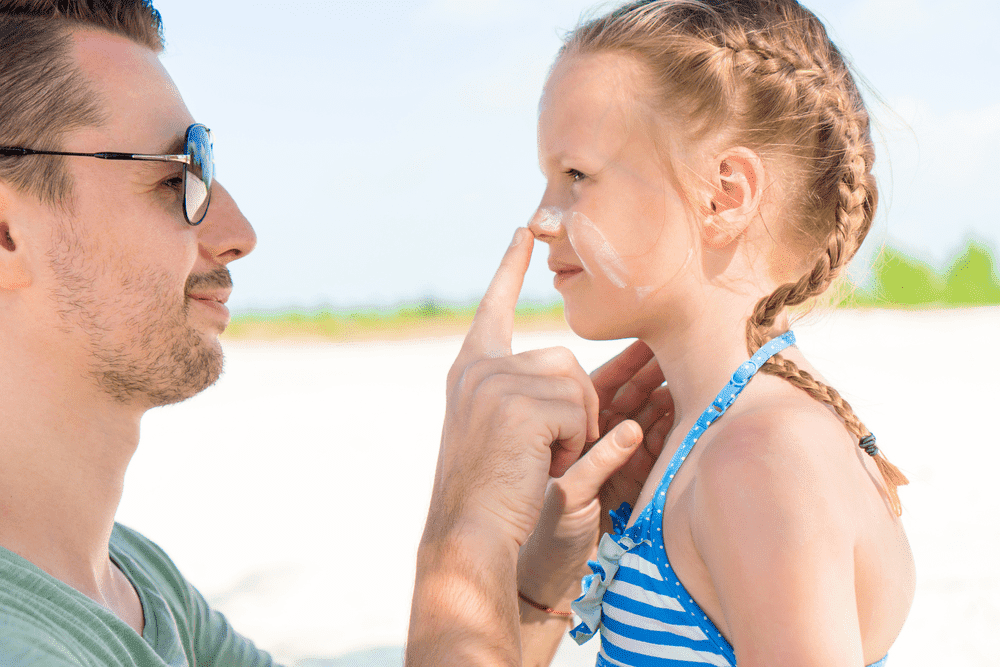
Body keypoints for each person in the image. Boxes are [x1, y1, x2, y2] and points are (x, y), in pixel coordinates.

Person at [0, 2, 671, 665]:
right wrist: (463, 534)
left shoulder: (134, 581)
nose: (239, 234)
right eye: (180, 177)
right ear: (7, 233)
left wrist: (528, 585)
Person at [509, 1, 917, 666]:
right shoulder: (720, 435)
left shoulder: (756, 459)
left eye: (577, 175)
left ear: (724, 194)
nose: (540, 220)